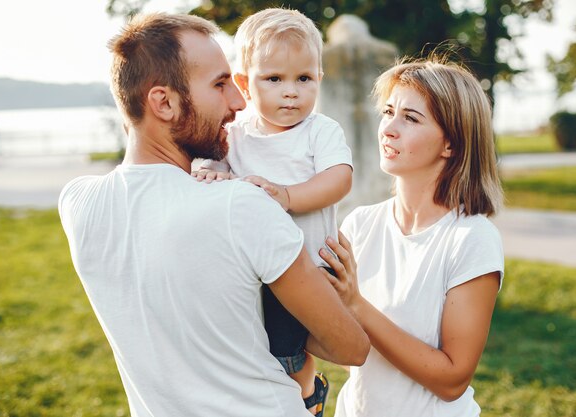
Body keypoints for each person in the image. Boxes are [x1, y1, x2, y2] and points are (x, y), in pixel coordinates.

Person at [58, 13, 368, 417]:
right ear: (163, 102)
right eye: (221, 85)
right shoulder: (243, 205)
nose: (239, 102)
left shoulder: (78, 202)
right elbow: (352, 348)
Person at [318, 57, 505, 417]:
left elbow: (452, 381)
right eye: (389, 111)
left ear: (450, 144)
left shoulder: (472, 239)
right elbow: (344, 348)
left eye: (410, 118)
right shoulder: (359, 224)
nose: (388, 128)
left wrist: (356, 305)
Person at [193, 8, 353, 416]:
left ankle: (305, 395)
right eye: (274, 79)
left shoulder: (320, 130)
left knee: (285, 346)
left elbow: (338, 180)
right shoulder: (236, 134)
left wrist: (287, 195)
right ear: (245, 84)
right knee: (252, 340)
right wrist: (210, 171)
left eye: (304, 78)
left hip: (308, 265)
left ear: (320, 76)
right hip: (252, 267)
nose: (291, 92)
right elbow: (218, 170)